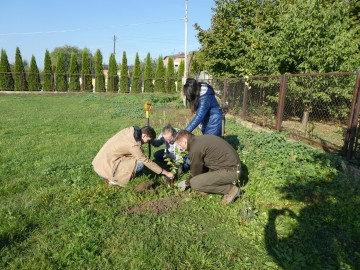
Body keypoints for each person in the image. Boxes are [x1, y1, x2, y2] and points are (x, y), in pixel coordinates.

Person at [92, 126, 174, 187]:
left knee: (136, 157)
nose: (146, 143)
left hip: (99, 163)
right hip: (105, 169)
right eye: (148, 140)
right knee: (140, 163)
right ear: (144, 136)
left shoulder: (130, 131)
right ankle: (113, 180)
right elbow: (146, 161)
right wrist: (166, 173)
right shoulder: (133, 145)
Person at [175, 130, 242, 204]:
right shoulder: (199, 140)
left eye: (180, 145)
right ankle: (207, 187)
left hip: (231, 171)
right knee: (201, 178)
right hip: (231, 166)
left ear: (184, 141)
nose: (181, 148)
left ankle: (230, 190)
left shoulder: (195, 149)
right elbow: (201, 165)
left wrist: (187, 182)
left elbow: (196, 170)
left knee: (194, 183)